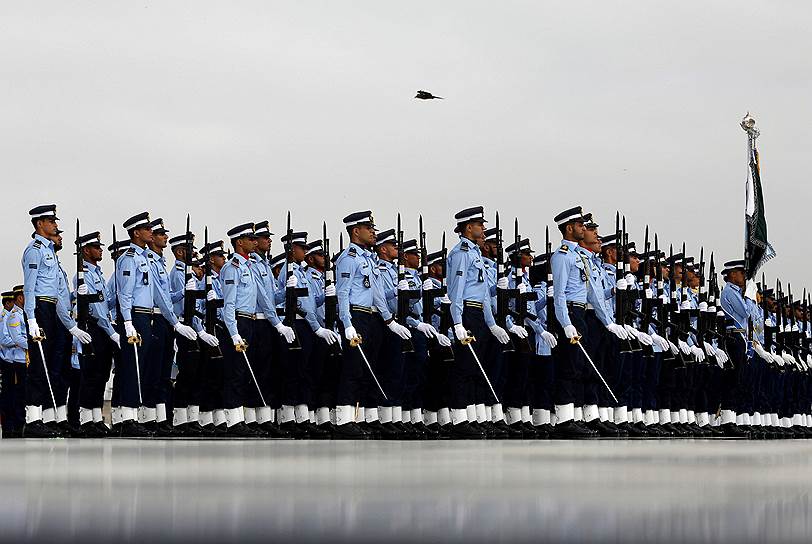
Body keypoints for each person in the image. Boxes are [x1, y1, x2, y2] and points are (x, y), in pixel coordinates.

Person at [333, 211, 411, 439]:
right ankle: (343, 420)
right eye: (369, 228)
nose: (373, 232)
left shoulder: (368, 258)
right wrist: (346, 323)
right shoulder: (348, 258)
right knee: (352, 369)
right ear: (356, 231)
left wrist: (389, 320)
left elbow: (377, 294)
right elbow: (343, 293)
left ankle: (364, 417)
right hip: (355, 316)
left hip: (370, 318)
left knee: (367, 370)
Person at [22, 205, 92, 437]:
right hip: (40, 308)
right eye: (51, 220)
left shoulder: (50, 252)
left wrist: (71, 327)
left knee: (53, 367)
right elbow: (30, 288)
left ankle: (51, 419)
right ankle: (32, 419)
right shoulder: (34, 250)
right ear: (39, 223)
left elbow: (59, 297)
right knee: (39, 367)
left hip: (50, 308)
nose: (55, 224)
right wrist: (31, 318)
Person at [446, 206, 511, 439]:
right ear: (468, 227)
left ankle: (473, 417)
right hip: (465, 314)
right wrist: (457, 323)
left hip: (478, 315)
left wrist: (491, 323)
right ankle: (459, 419)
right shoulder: (461, 253)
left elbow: (482, 294)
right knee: (464, 367)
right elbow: (456, 291)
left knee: (476, 368)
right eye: (480, 224)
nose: (484, 229)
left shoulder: (475, 253)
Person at [73, 231, 120, 437]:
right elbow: (95, 310)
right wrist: (111, 331)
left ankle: (96, 417)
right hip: (93, 328)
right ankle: (85, 420)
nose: (101, 250)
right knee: (90, 376)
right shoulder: (82, 275)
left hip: (103, 329)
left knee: (101, 375)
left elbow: (105, 303)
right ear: (86, 250)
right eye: (96, 247)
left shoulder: (98, 274)